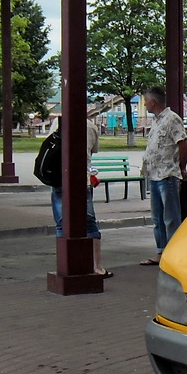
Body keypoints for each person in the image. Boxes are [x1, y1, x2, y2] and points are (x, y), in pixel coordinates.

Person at [50, 111, 112, 278]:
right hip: (82, 181)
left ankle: (64, 265)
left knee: (61, 223)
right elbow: (92, 151)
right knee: (90, 222)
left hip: (59, 179)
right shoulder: (90, 126)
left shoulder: (58, 123)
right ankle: (97, 267)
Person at [140, 86, 187, 265]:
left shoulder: (172, 119)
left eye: (146, 101)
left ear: (153, 102)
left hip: (168, 175)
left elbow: (182, 144)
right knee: (157, 218)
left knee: (171, 217)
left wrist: (182, 168)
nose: (145, 104)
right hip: (154, 175)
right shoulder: (157, 121)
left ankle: (174, 254)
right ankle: (161, 251)